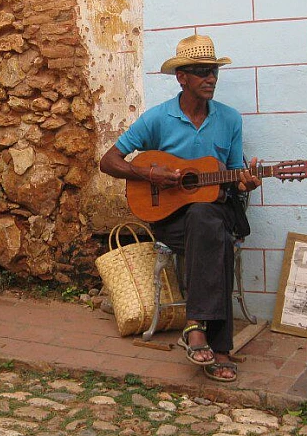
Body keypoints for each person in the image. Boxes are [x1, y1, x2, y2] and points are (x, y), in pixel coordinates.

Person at [99, 34, 259, 383]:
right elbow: (108, 161)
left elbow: (233, 174)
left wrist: (246, 181)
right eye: (202, 72)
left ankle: (195, 327)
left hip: (215, 211)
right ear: (181, 77)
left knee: (208, 220)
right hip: (168, 217)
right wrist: (148, 172)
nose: (211, 78)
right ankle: (221, 349)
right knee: (214, 238)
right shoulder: (157, 119)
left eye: (214, 71)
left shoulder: (230, 119)